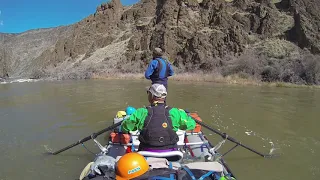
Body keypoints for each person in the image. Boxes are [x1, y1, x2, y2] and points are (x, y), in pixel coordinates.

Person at [120, 83, 196, 152]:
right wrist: (184, 115)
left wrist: (124, 128)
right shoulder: (175, 112)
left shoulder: (141, 112)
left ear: (152, 96)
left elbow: (126, 126)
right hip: (171, 152)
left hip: (146, 151)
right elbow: (192, 124)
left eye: (148, 93)